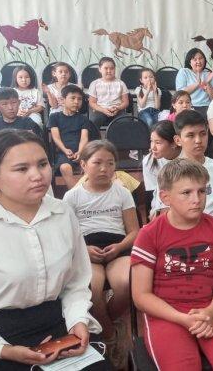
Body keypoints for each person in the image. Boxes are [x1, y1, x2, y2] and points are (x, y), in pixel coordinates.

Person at [0, 130, 109, 370]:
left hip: (57, 321)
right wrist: (4, 350)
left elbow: (76, 284)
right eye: (22, 169)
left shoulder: (63, 213)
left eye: (42, 164)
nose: (37, 175)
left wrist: (77, 320)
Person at [130, 159, 213, 370]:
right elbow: (141, 295)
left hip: (211, 309)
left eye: (202, 191)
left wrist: (210, 312)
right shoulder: (149, 235)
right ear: (165, 197)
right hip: (166, 314)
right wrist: (182, 319)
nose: (196, 200)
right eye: (186, 193)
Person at [63, 140, 138, 367]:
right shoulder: (72, 197)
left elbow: (134, 231)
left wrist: (120, 247)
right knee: (92, 289)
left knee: (126, 283)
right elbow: (67, 236)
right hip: (86, 249)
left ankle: (106, 321)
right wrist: (84, 250)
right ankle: (110, 335)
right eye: (97, 163)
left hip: (118, 247)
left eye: (110, 163)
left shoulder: (122, 193)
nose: (104, 168)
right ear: (83, 164)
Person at [49, 85, 90, 189]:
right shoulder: (54, 117)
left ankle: (89, 192)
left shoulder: (83, 119)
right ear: (63, 100)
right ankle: (75, 194)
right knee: (65, 167)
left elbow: (84, 138)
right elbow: (55, 137)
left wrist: (80, 152)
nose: (76, 102)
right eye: (73, 98)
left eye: (79, 99)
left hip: (82, 152)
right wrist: (65, 150)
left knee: (90, 167)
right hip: (63, 153)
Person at [143, 121, 181, 212]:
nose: (153, 147)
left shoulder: (187, 158)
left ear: (174, 143)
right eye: (151, 141)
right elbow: (152, 192)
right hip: (162, 205)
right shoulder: (149, 161)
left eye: (158, 143)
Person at [87, 57, 129, 128]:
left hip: (118, 110)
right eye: (106, 68)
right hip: (100, 110)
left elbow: (125, 102)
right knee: (93, 121)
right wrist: (103, 110)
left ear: (115, 69)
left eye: (112, 68)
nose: (109, 71)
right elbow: (92, 102)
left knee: (125, 121)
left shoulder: (121, 83)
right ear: (100, 69)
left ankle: (117, 136)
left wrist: (117, 108)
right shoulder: (94, 84)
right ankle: (96, 136)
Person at [176, 48, 213, 116]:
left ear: (204, 60)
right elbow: (179, 94)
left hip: (206, 107)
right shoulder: (184, 72)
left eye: (201, 58)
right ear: (189, 62)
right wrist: (197, 84)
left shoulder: (209, 74)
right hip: (189, 107)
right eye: (195, 59)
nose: (198, 61)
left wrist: (207, 84)